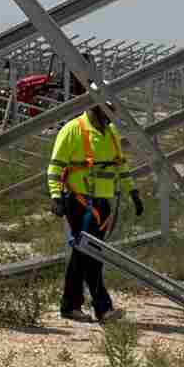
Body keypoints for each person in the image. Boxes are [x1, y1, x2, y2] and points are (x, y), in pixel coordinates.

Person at [49, 75, 142, 323]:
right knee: (88, 253)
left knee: (88, 253)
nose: (110, 113)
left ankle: (74, 305)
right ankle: (101, 307)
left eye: (111, 108)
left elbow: (120, 165)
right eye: (106, 108)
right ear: (94, 105)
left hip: (102, 202)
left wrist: (132, 190)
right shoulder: (73, 130)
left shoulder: (110, 133)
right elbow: (55, 167)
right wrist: (56, 196)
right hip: (79, 201)